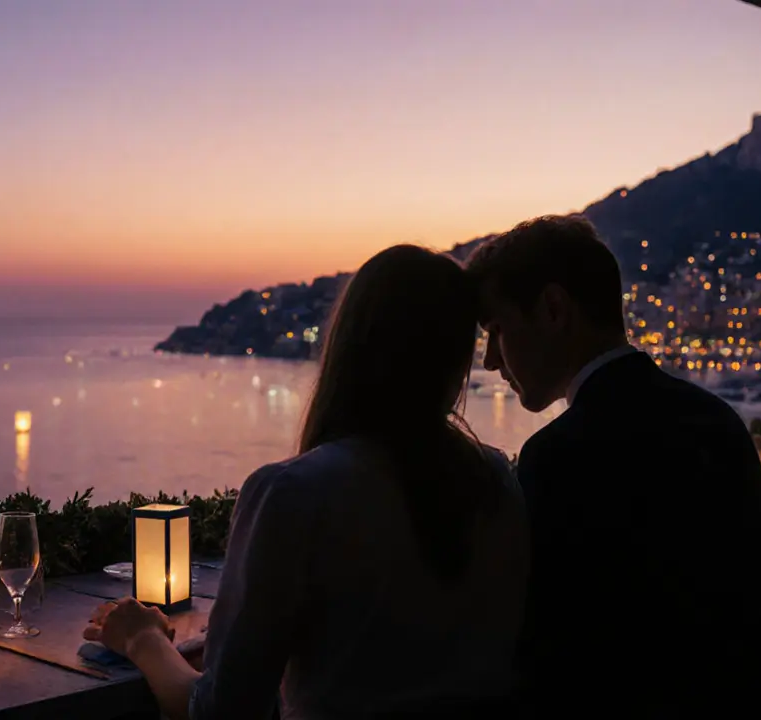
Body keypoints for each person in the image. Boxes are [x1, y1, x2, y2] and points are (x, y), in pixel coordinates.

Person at [85, 244, 529, 719]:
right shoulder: (495, 478)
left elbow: (220, 713)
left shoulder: (294, 493)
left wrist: (143, 639)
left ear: (347, 346)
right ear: (457, 362)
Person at [465, 215, 761, 714]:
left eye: (496, 330)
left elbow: (546, 647)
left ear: (552, 309)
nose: (488, 362)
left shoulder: (561, 454)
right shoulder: (717, 420)